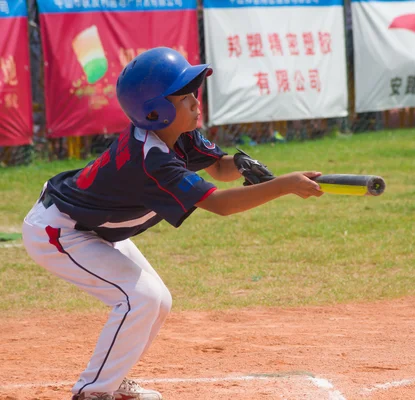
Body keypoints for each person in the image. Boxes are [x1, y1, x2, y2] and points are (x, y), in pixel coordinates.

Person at [21, 47, 323, 400]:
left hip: (93, 228)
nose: (196, 102)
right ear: (157, 111)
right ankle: (92, 393)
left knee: (157, 300)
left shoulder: (178, 134)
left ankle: (111, 382)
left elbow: (217, 167)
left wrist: (240, 164)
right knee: (141, 298)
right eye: (184, 97)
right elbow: (220, 205)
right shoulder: (151, 158)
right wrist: (284, 186)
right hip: (60, 230)